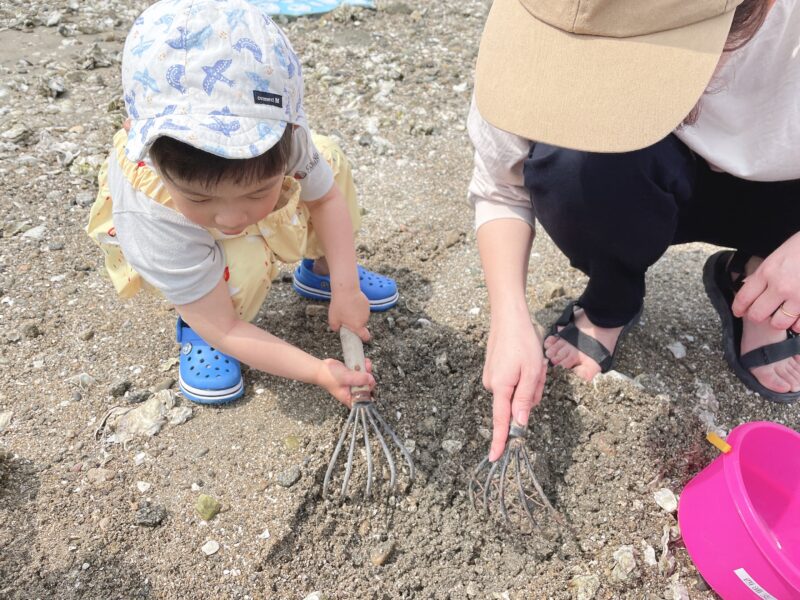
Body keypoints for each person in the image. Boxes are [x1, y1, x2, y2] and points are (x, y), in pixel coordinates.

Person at [469, 0, 800, 461]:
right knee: (571, 165)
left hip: (783, 181)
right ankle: (610, 303)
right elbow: (500, 187)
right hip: (648, 169)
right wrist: (508, 316)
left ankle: (766, 279)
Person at [87, 0, 399, 406]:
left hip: (221, 193)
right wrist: (319, 371)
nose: (233, 217)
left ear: (287, 131)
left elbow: (325, 199)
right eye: (199, 195)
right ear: (144, 147)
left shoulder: (284, 138)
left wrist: (346, 286)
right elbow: (227, 328)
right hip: (180, 241)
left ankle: (320, 272)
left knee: (330, 158)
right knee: (243, 260)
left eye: (256, 191)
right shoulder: (150, 209)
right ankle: (197, 327)